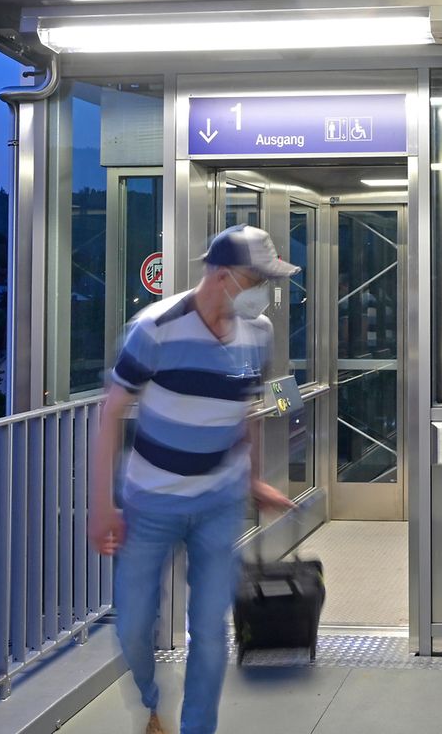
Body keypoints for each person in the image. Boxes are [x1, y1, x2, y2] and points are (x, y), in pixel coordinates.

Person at [89, 223, 299, 734]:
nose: (263, 291)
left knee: (209, 630)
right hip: (151, 501)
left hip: (218, 501)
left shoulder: (258, 333)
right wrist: (101, 506)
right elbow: (110, 411)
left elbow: (247, 411)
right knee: (134, 626)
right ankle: (152, 704)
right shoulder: (156, 328)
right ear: (223, 275)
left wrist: (253, 480)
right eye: (258, 279)